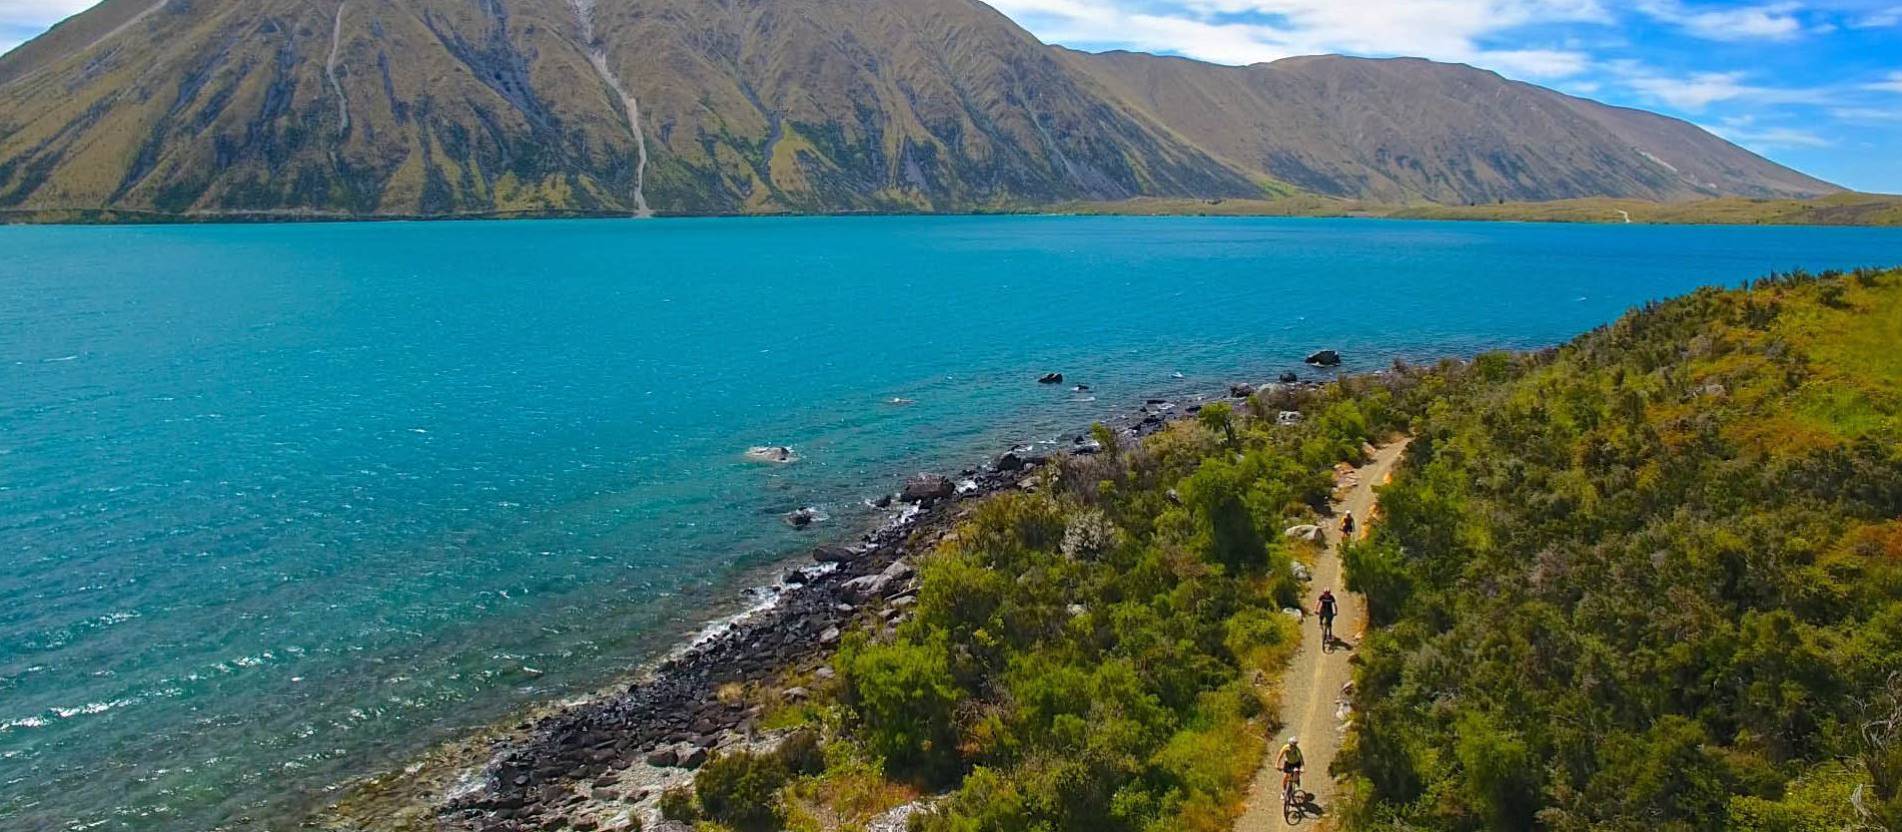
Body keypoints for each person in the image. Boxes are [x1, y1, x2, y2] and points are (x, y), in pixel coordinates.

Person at [1276, 736, 1305, 800]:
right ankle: (1284, 792)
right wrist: (1277, 764)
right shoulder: (1285, 747)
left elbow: (1301, 759)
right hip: (1288, 763)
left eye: (1294, 745)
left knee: (1296, 772)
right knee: (1285, 777)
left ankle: (1296, 783)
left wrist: (1302, 767)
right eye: (1291, 745)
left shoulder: (1297, 750)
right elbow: (1280, 755)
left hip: (1296, 763)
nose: (1292, 747)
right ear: (1289, 744)